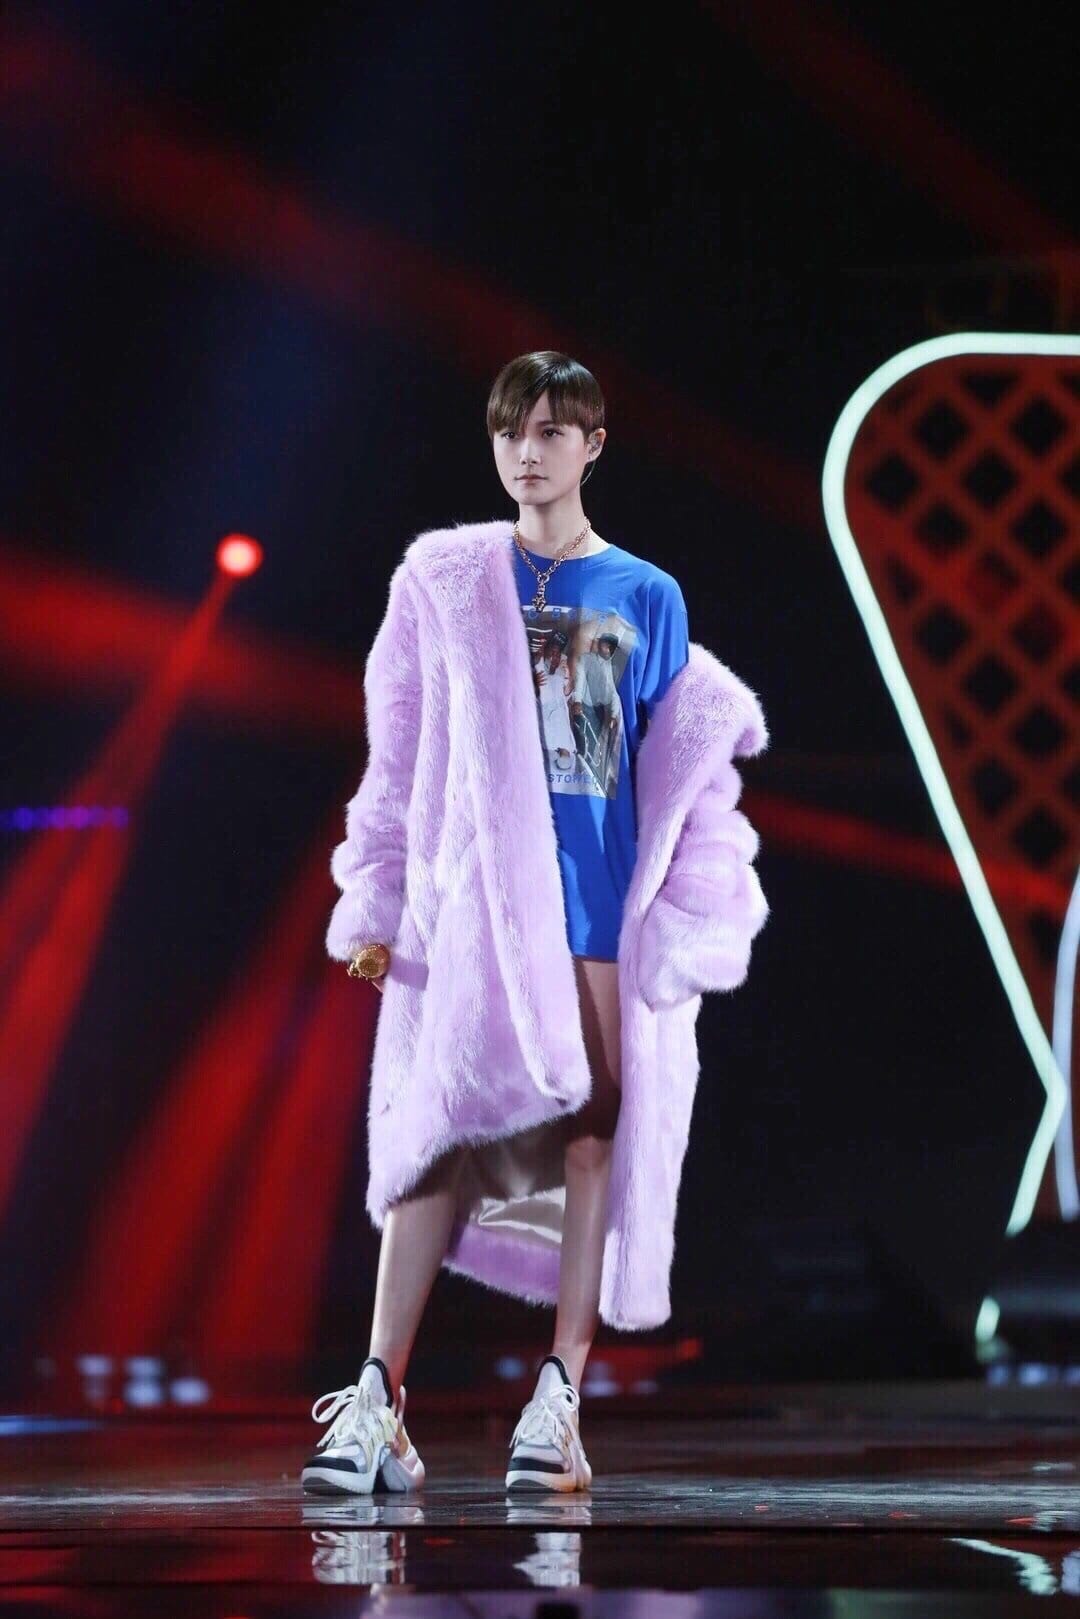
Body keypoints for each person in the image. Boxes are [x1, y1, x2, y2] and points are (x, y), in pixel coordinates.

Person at [301, 351, 770, 1497]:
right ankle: (377, 1395)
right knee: (436, 1136)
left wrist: (689, 913)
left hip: (599, 900)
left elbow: (677, 774)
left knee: (593, 1130)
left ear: (593, 445)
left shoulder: (645, 593)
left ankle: (560, 1394)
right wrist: (376, 900)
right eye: (512, 429)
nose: (527, 450)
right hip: (470, 906)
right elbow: (395, 752)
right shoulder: (445, 580)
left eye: (553, 430)